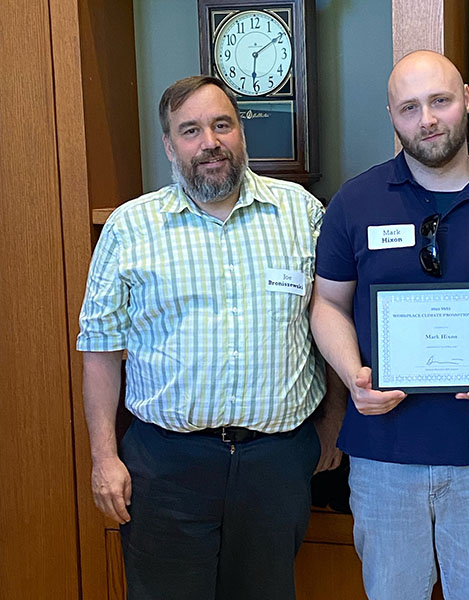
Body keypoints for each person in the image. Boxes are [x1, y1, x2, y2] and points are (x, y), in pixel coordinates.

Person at [309, 50, 469, 599]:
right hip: (383, 457)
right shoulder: (355, 202)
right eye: (409, 107)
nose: (426, 119)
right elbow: (326, 304)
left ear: (467, 100)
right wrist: (353, 372)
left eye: (440, 101)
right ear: (392, 116)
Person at [76, 75, 344, 600]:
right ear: (170, 146)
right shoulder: (130, 228)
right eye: (191, 130)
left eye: (222, 125)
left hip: (277, 462)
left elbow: (332, 319)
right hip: (166, 466)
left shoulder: (303, 215)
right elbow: (100, 351)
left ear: (241, 131)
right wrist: (104, 458)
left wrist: (334, 421)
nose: (209, 143)